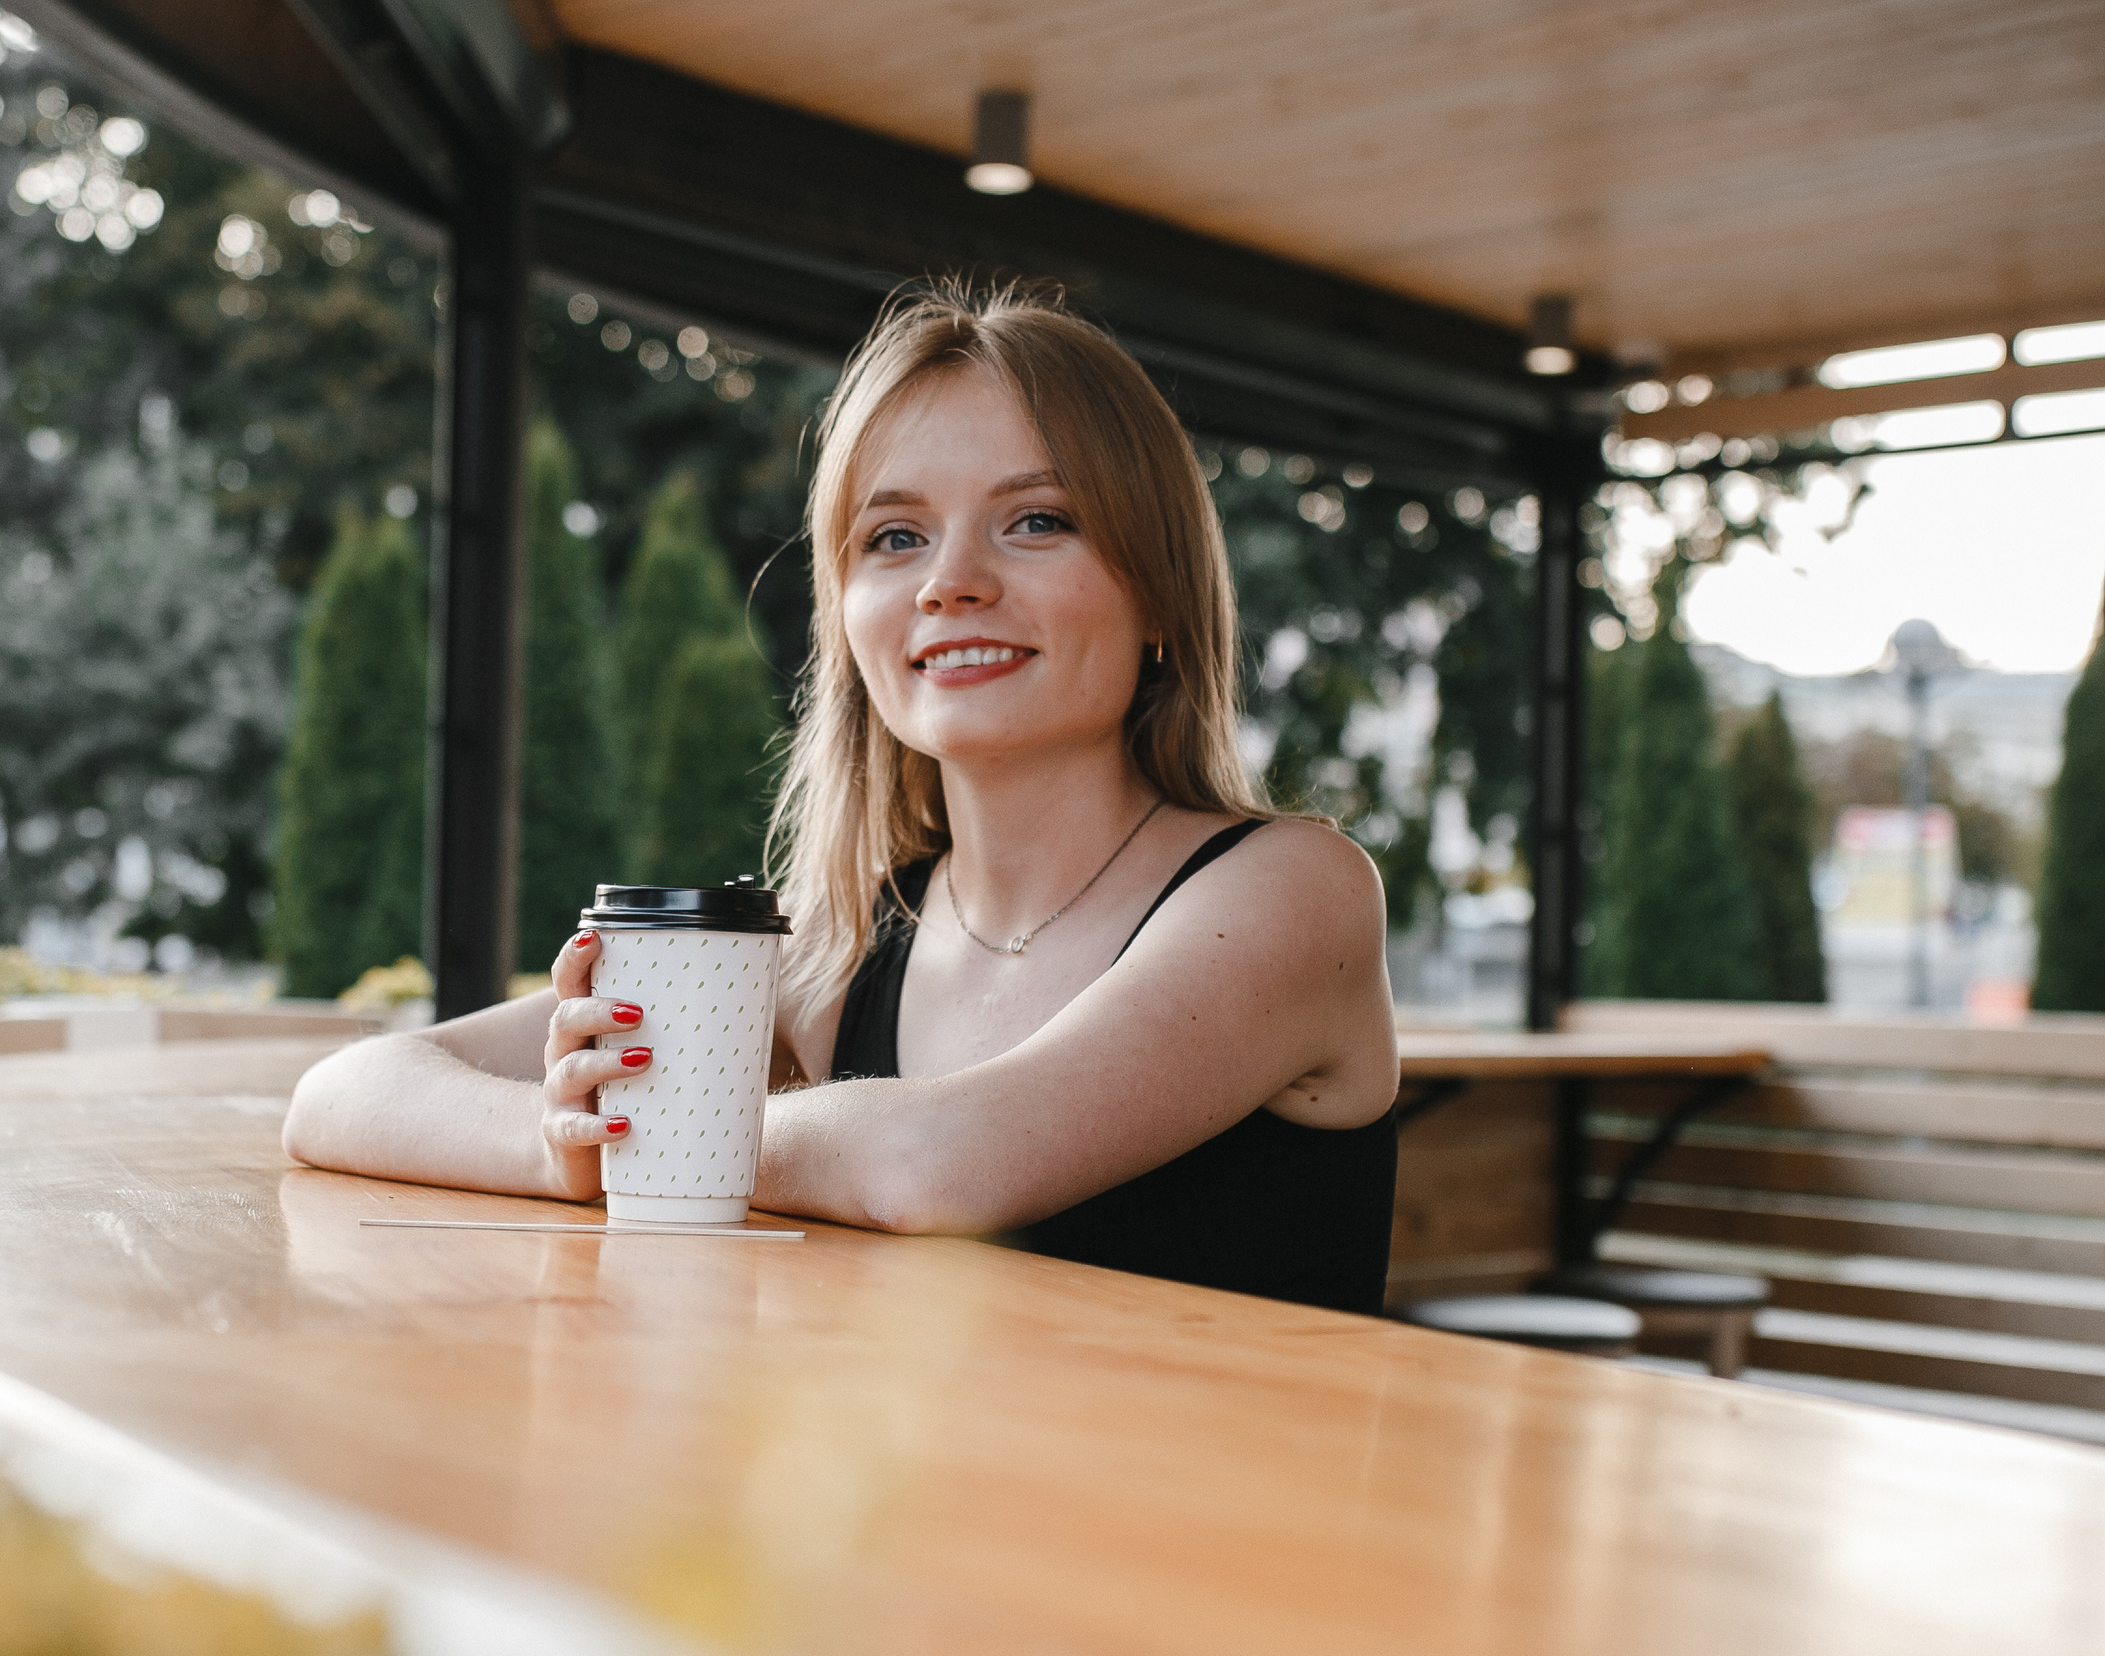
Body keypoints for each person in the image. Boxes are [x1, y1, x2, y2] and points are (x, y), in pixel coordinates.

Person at [284, 281, 1402, 1314]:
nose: (948, 581)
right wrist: (557, 1139)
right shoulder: (841, 944)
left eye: (1036, 520)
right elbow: (345, 1093)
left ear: (1158, 590)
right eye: (895, 536)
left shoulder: (1295, 892)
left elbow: (931, 1169)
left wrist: (658, 1131)